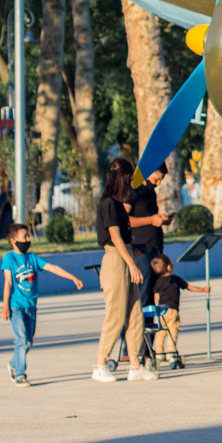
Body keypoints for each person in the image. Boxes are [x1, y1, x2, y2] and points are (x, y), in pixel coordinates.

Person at [92, 158, 156, 382]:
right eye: (129, 177)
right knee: (116, 316)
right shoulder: (108, 203)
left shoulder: (119, 204)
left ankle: (135, 366)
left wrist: (132, 254)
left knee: (135, 314)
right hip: (115, 260)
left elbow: (124, 238)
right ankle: (100, 365)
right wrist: (131, 264)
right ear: (122, 178)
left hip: (125, 255)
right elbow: (114, 237)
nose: (131, 182)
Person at [0, 222, 83, 386]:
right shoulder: (9, 258)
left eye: (28, 236)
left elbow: (53, 268)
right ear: (13, 240)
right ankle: (20, 374)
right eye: (25, 236)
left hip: (31, 306)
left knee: (28, 342)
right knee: (22, 340)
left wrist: (72, 277)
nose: (28, 239)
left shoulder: (32, 258)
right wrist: (5, 307)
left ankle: (13, 363)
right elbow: (8, 283)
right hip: (15, 306)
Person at [148, 254, 209, 362]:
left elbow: (156, 297)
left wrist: (156, 312)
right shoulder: (175, 279)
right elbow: (189, 287)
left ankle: (159, 353)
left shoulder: (157, 282)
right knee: (172, 331)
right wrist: (204, 289)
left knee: (160, 332)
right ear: (168, 267)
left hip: (160, 311)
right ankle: (171, 352)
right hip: (172, 310)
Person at [127, 163, 172, 301]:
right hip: (141, 248)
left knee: (154, 289)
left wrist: (162, 219)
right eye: (156, 179)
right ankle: (142, 322)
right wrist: (151, 220)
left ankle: (151, 321)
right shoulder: (133, 189)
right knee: (143, 290)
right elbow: (124, 220)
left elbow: (149, 215)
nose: (158, 183)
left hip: (155, 247)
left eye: (161, 180)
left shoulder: (150, 191)